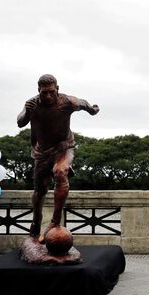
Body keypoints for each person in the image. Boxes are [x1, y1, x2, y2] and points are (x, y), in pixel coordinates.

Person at [17, 74, 99, 241]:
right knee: (40, 191)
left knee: (60, 172)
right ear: (38, 90)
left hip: (63, 147)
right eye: (44, 92)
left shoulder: (67, 102)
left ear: (57, 89)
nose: (48, 96)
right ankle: (36, 222)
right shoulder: (32, 103)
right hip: (42, 151)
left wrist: (93, 110)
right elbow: (20, 122)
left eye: (51, 92)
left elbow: (83, 103)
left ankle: (55, 222)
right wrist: (27, 112)